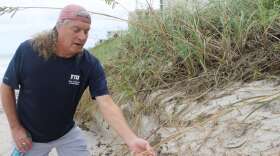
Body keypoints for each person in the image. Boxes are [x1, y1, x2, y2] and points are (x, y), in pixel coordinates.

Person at [0, 4, 156, 156]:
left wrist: (131, 139)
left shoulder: (89, 64)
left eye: (86, 31)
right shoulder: (28, 51)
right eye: (76, 30)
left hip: (66, 134)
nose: (82, 37)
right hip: (29, 137)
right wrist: (15, 128)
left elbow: (106, 102)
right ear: (59, 27)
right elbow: (6, 87)